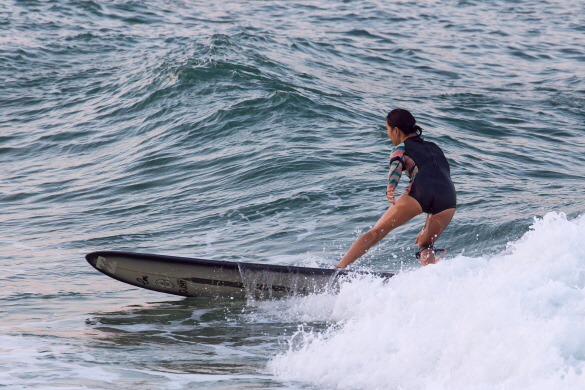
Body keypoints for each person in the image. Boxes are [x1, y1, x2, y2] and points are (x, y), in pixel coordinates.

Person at [334, 109, 456, 268]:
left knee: (375, 232)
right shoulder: (435, 147)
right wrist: (427, 225)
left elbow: (396, 166)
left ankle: (337, 270)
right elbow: (437, 179)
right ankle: (431, 279)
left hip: (421, 190)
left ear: (396, 131)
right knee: (425, 244)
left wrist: (391, 187)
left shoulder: (401, 146)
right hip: (448, 196)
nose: (389, 135)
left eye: (388, 131)